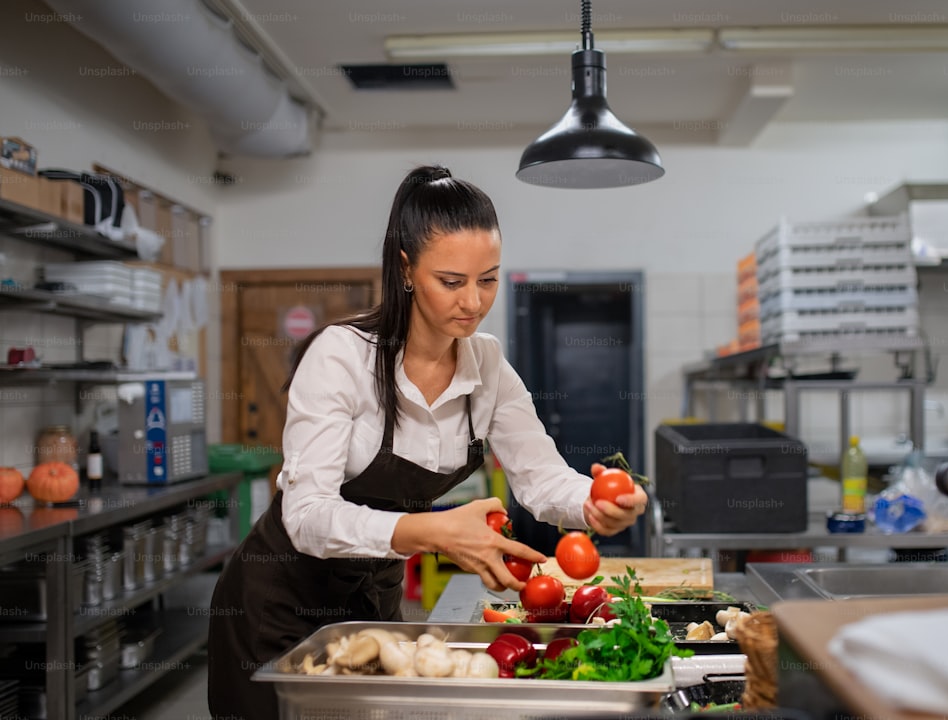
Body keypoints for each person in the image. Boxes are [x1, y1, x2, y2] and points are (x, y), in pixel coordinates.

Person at [207, 164, 648, 719]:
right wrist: (432, 532)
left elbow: (541, 478)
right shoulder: (342, 357)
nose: (473, 301)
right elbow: (307, 515)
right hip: (278, 600)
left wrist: (594, 503)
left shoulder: (487, 367)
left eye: (487, 278)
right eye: (452, 281)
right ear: (407, 269)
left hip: (372, 599)